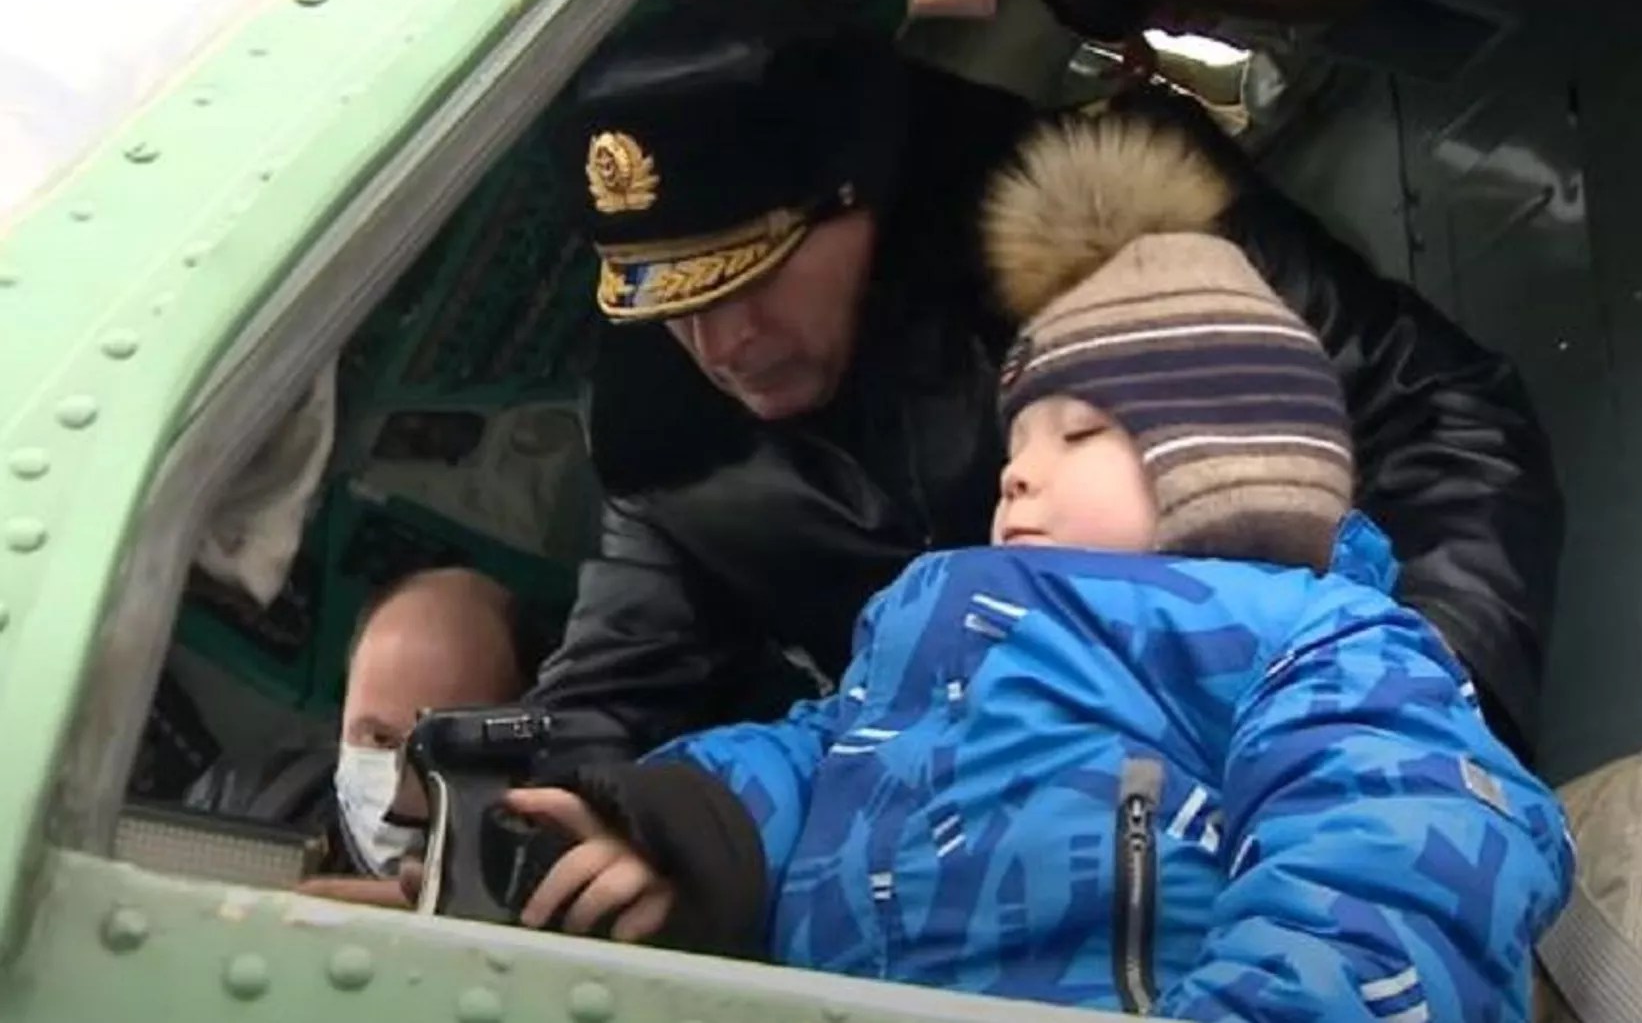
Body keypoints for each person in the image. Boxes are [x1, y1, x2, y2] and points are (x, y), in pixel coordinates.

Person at [500, 111, 1574, 1021]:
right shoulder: (920, 629)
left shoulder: (1310, 641)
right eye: (1014, 441)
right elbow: (819, 753)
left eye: (1080, 433)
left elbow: (1397, 849)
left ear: (1216, 459)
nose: (1016, 472)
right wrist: (683, 827)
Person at [526, 23, 1563, 769]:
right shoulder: (669, 451)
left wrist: (1415, 715)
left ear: (861, 194)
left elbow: (1441, 419)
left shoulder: (1124, 249)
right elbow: (611, 692)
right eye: (674, 304)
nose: (720, 344)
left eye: (752, 277)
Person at [295, 567, 525, 908]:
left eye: (442, 748)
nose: (400, 801)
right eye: (380, 738)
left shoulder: (541, 879)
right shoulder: (249, 802)